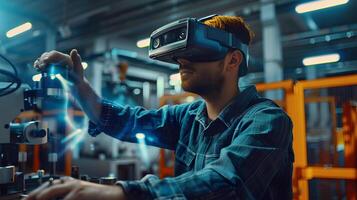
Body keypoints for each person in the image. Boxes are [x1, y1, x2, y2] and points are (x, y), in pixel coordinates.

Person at [26, 15, 294, 200]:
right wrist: (79, 85)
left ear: (232, 60)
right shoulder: (189, 116)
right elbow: (128, 121)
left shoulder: (268, 121)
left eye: (195, 52)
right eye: (180, 53)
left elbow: (228, 183)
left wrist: (123, 193)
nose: (182, 61)